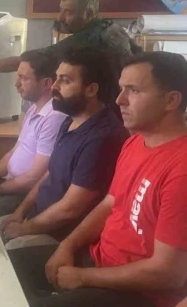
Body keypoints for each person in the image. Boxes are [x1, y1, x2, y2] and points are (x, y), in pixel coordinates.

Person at [10, 51, 187, 307]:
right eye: (121, 89)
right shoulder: (135, 143)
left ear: (171, 100)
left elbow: (167, 273)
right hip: (98, 260)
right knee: (4, 265)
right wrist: (68, 246)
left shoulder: (181, 169)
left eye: (134, 90)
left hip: (138, 293)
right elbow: (109, 204)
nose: (119, 100)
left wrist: (83, 277)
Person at [0, 47, 129, 249]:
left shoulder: (103, 138)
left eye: (65, 81)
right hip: (36, 220)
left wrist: (24, 229)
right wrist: (19, 213)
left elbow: (70, 209)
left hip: (60, 237)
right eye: (57, 78)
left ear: (91, 90)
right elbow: (49, 174)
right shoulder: (70, 120)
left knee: (0, 252)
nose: (54, 87)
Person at [0, 0, 141, 79]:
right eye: (61, 10)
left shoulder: (86, 40)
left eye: (68, 12)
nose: (60, 17)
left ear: (89, 13)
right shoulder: (115, 29)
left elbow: (27, 60)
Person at [0, 49, 68, 217]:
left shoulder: (54, 117)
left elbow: (34, 178)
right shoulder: (33, 109)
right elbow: (14, 151)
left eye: (24, 78)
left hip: (23, 195)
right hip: (9, 184)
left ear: (46, 84)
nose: (17, 84)